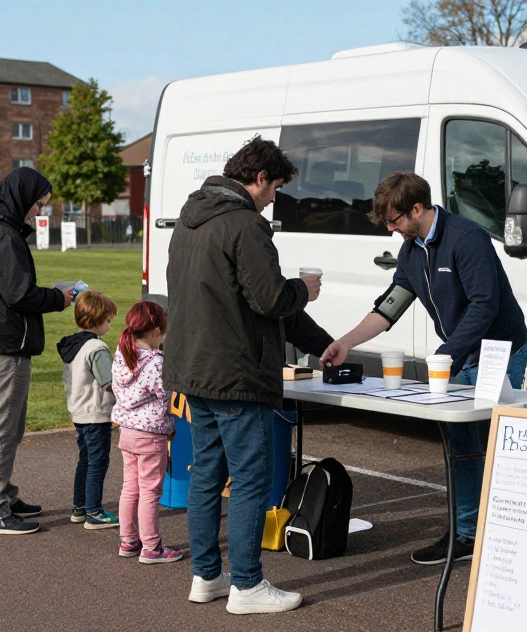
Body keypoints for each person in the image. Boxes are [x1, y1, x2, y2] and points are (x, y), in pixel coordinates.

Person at [320, 171, 527, 565]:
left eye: (395, 220)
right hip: (460, 354)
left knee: (485, 446)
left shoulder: (467, 239)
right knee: (462, 447)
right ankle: (467, 535)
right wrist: (345, 342)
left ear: (417, 208)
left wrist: (446, 353)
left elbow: (485, 305)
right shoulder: (411, 250)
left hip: (498, 351)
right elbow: (390, 307)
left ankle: (501, 538)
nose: (391, 228)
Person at [164, 136, 327, 615]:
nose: (275, 197)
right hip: (236, 372)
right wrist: (304, 288)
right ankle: (249, 585)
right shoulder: (246, 226)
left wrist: (322, 344)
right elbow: (271, 300)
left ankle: (207, 577)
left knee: (206, 478)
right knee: (252, 480)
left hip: (193, 368)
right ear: (258, 179)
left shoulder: (190, 220)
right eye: (275, 186)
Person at [0, 167, 74, 535]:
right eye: (39, 204)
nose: (39, 212)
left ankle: (4, 495)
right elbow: (20, 294)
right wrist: (61, 297)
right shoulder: (3, 236)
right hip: (2, 344)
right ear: (23, 199)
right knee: (2, 427)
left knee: (10, 426)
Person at [111, 300, 183, 564]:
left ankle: (128, 540)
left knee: (130, 488)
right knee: (151, 492)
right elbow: (165, 394)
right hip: (150, 435)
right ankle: (151, 547)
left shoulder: (122, 354)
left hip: (127, 432)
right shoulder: (155, 362)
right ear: (156, 332)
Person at [56, 289, 119, 531]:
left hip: (79, 411)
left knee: (85, 460)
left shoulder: (73, 345)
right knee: (98, 462)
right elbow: (109, 382)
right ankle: (94, 511)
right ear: (96, 319)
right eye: (107, 319)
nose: (110, 323)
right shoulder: (97, 348)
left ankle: (79, 507)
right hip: (96, 412)